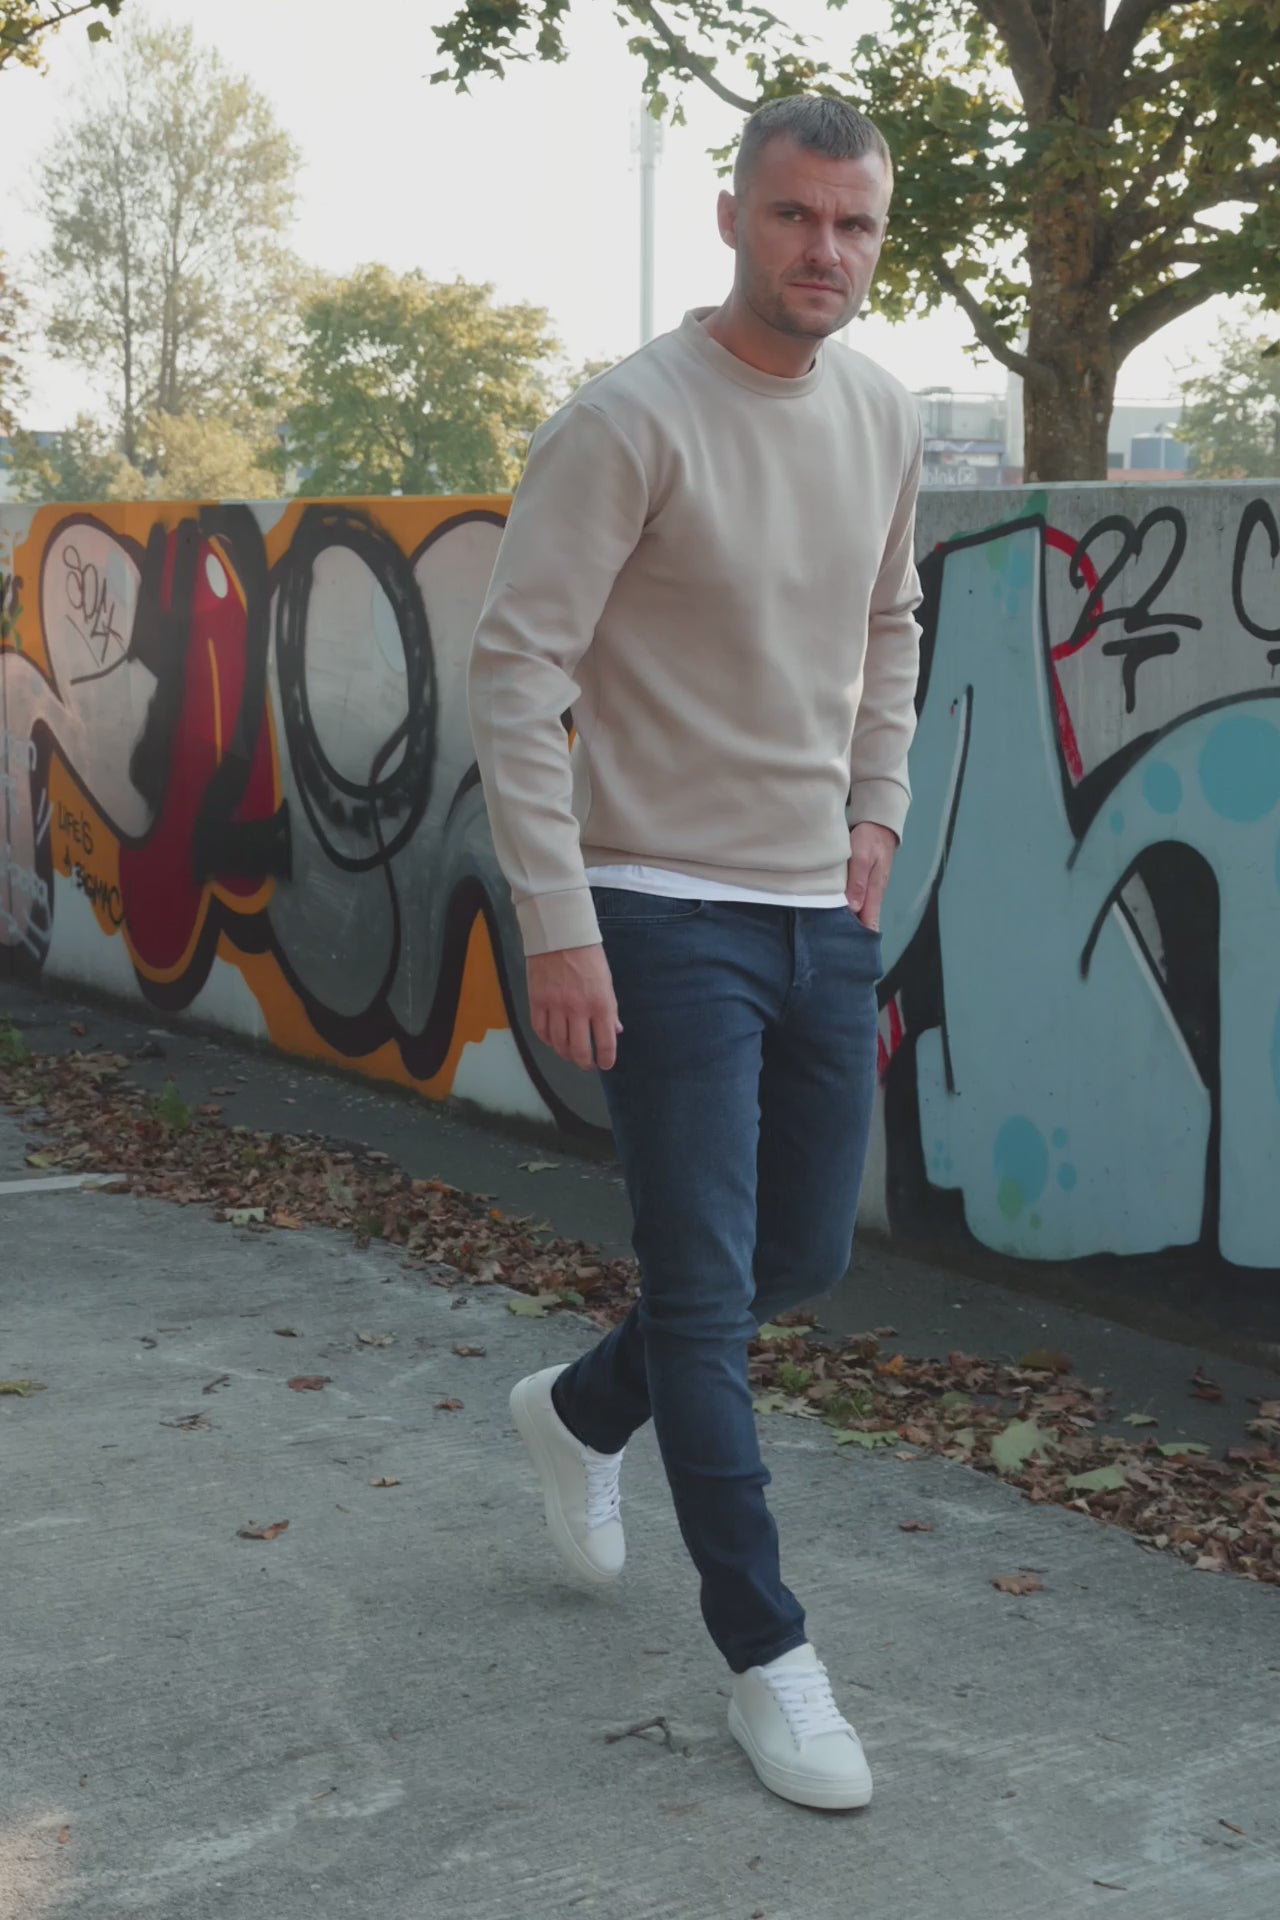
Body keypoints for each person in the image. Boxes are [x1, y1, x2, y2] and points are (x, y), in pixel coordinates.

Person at [468, 93, 923, 1812]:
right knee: (713, 1299)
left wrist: (877, 811)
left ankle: (585, 1410)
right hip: (657, 910)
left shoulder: (881, 415)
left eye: (855, 224)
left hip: (820, 909)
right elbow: (519, 674)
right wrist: (562, 919)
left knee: (800, 1253)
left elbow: (890, 622)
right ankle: (768, 1657)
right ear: (733, 217)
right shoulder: (629, 420)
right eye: (795, 216)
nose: (826, 250)